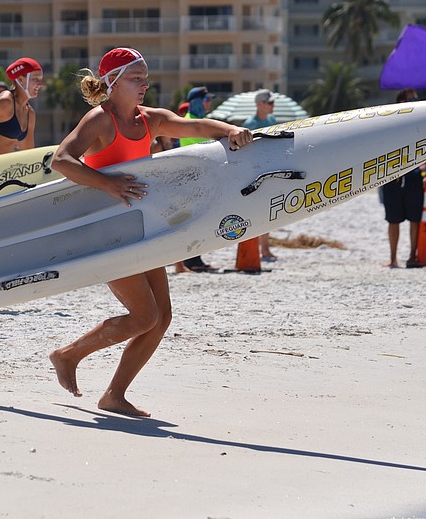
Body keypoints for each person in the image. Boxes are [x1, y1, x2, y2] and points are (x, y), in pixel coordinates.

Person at [48, 47, 255, 417]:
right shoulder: (100, 120)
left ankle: (114, 395)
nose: (144, 84)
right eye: (135, 78)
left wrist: (229, 130)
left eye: (145, 77)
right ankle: (68, 355)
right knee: (143, 316)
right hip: (109, 232)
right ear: (112, 83)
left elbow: (193, 127)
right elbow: (61, 160)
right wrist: (107, 185)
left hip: (143, 228)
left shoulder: (149, 120)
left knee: (162, 317)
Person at [381, 88, 426, 268]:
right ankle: (393, 258)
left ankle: (412, 256)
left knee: (415, 218)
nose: (415, 102)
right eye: (411, 99)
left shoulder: (421, 124)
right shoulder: (390, 124)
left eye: (416, 99)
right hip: (392, 175)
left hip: (413, 174)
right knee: (393, 219)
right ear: (401, 103)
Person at [175, 86, 218, 271]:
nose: (209, 102)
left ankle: (194, 259)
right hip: (192, 178)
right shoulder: (190, 122)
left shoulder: (198, 121)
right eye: (206, 99)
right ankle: (192, 260)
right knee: (194, 221)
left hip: (199, 176)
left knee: (198, 220)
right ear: (196, 102)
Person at [242, 89, 279, 261]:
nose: (273, 105)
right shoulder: (249, 123)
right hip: (254, 171)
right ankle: (255, 249)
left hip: (270, 168)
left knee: (268, 210)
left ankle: (265, 248)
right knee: (255, 211)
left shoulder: (272, 120)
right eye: (270, 103)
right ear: (259, 105)